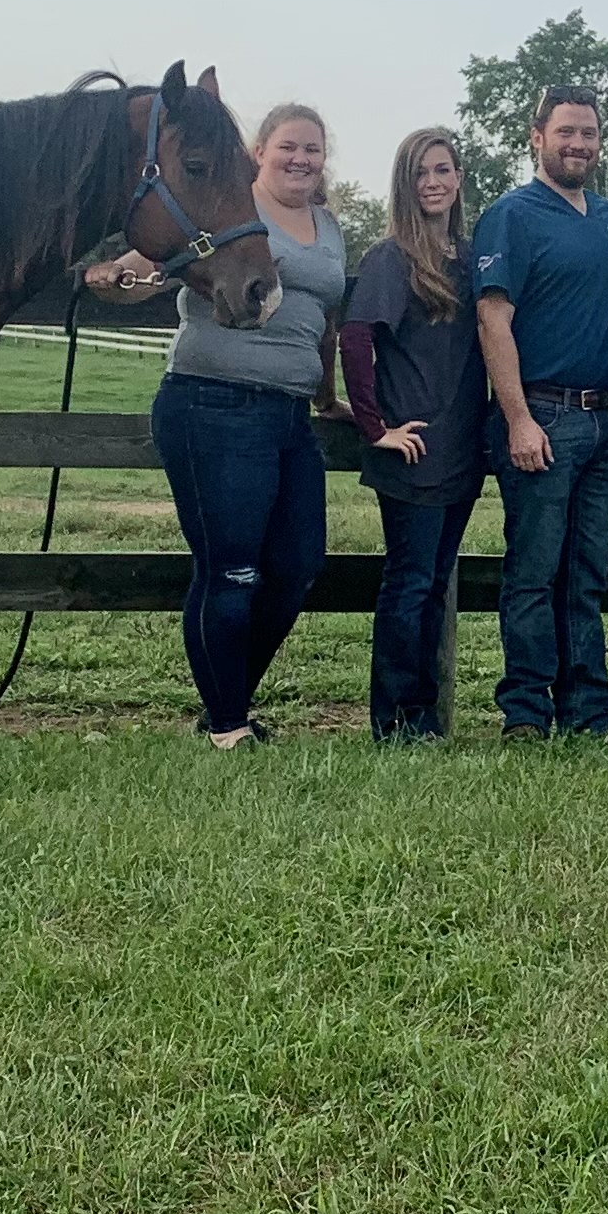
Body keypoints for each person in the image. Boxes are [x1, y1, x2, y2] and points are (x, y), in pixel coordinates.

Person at [98, 97, 343, 748]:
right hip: (215, 403)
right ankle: (230, 727)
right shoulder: (225, 206)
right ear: (258, 152)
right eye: (287, 146)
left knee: (297, 567)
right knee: (231, 569)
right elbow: (150, 262)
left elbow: (325, 323)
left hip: (290, 416)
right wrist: (122, 273)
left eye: (312, 148)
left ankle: (223, 703)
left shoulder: (329, 225)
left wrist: (327, 397)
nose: (300, 158)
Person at [475, 83, 608, 743]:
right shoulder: (512, 214)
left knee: (585, 576)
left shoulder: (602, 214)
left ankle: (589, 714)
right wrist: (517, 418)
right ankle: (525, 713)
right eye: (566, 132)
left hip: (604, 419)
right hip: (542, 414)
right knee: (534, 573)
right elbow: (493, 317)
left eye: (589, 134)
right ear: (536, 137)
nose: (578, 144)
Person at [343, 126, 487, 743]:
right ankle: (393, 719)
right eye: (421, 173)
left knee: (435, 582)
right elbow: (355, 337)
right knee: (408, 584)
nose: (433, 182)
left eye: (444, 170)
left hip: (461, 446)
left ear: (459, 179)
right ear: (405, 184)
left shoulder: (471, 259)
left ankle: (426, 714)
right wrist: (374, 425)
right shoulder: (391, 258)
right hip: (414, 449)